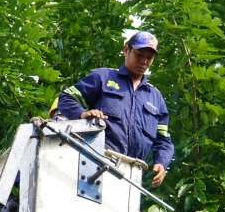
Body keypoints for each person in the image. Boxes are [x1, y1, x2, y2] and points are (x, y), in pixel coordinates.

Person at [57, 31, 173, 187]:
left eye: (149, 58)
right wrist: (82, 113)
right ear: (126, 50)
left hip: (130, 176)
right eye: (139, 55)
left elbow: (164, 140)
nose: (144, 61)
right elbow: (66, 97)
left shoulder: (156, 98)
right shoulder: (103, 77)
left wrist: (162, 163)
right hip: (95, 164)